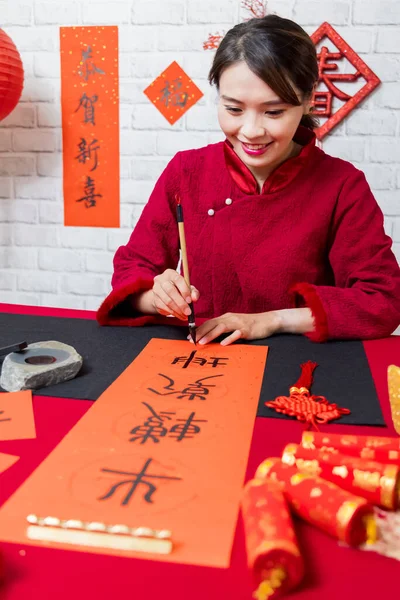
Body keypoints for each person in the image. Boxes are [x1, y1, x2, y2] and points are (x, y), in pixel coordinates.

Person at [97, 14, 400, 345]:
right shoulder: (187, 170)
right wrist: (156, 296)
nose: (252, 131)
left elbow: (382, 300)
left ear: (309, 97)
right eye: (234, 109)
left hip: (299, 369)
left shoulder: (342, 185)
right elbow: (133, 268)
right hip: (202, 359)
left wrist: (273, 320)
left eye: (273, 112)